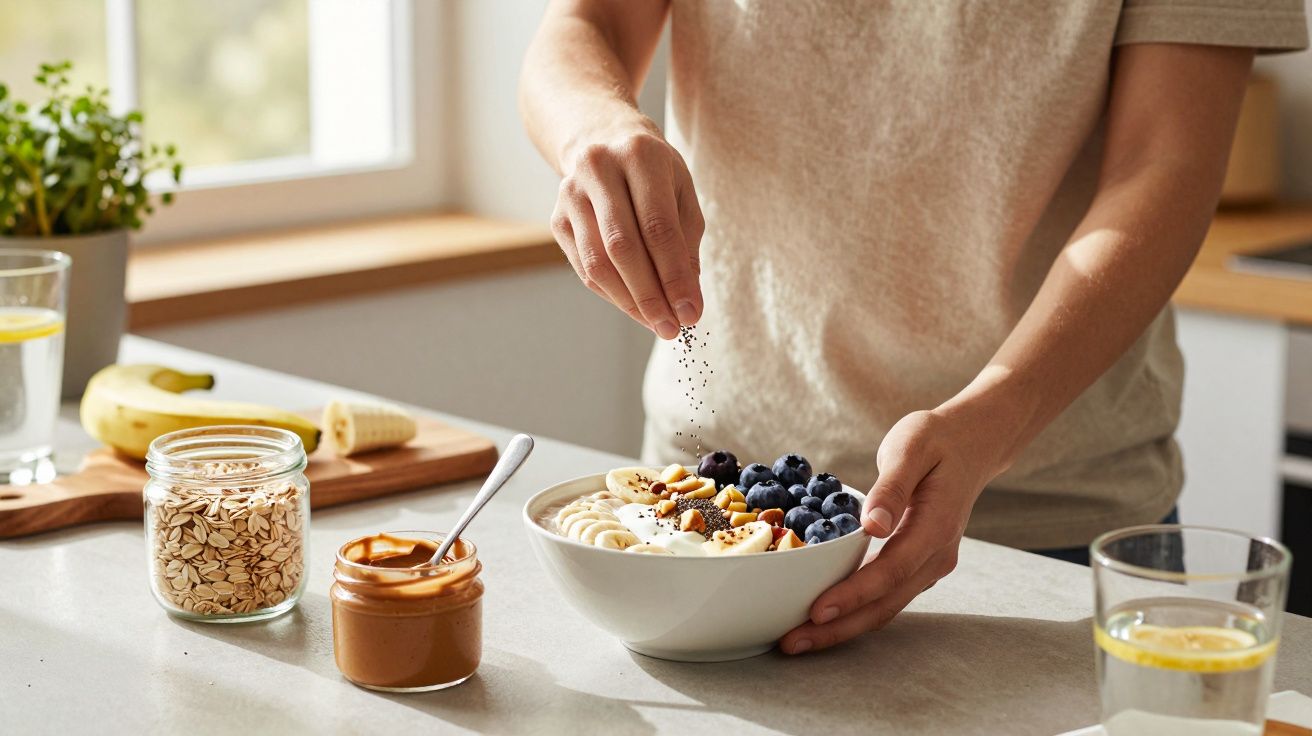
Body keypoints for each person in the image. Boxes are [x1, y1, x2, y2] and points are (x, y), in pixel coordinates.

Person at [519, 1, 1308, 654]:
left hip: (1045, 521)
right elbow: (586, 26)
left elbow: (1163, 162)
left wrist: (996, 414)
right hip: (704, 508)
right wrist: (594, 126)